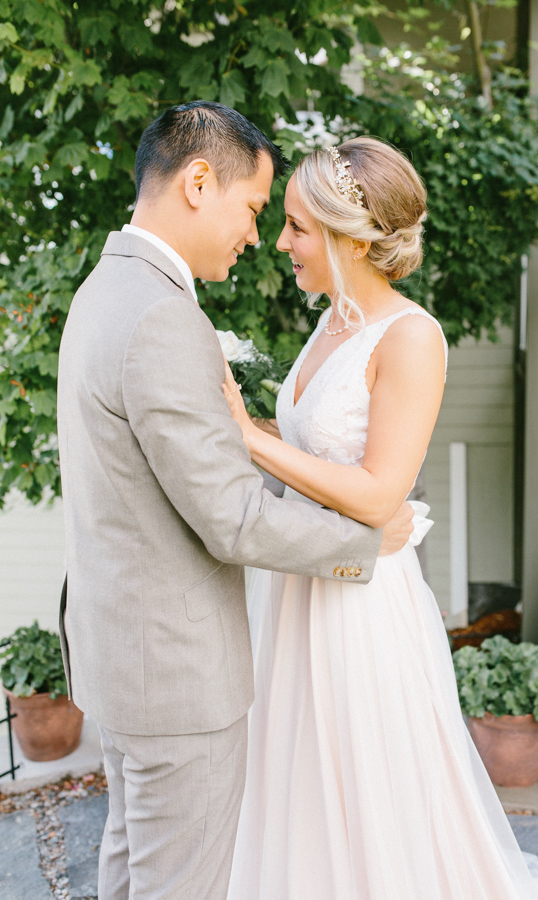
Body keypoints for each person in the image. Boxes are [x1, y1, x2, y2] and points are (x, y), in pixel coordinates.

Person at [223, 138, 538, 900]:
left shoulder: (411, 336)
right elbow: (306, 452)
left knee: (366, 787)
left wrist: (242, 437)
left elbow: (375, 494)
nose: (282, 242)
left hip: (359, 606)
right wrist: (241, 422)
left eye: (297, 226)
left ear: (348, 236)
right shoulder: (332, 323)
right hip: (300, 586)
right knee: (297, 784)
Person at [56, 103, 415, 900]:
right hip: (175, 677)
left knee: (133, 868)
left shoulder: (103, 291)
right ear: (197, 182)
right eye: (256, 210)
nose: (258, 237)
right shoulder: (161, 316)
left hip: (125, 657)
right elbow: (231, 517)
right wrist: (367, 544)